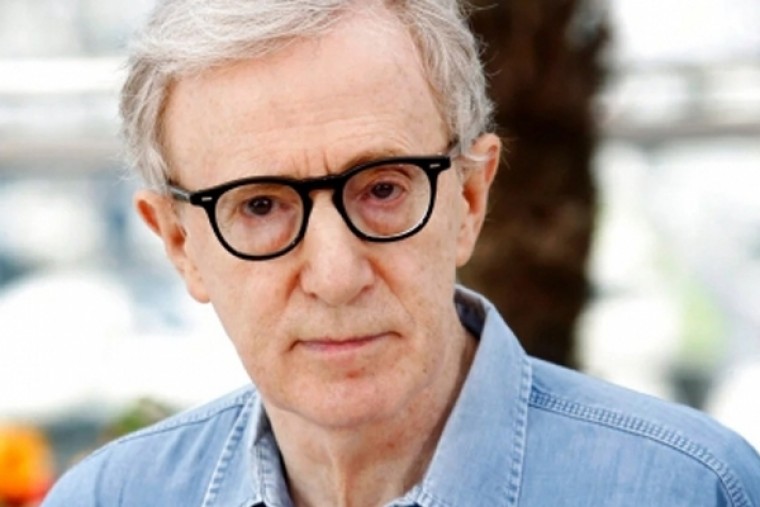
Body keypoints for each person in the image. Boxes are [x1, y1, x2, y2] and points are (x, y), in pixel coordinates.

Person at [43, 1, 760, 505]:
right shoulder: (106, 499)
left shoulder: (691, 490)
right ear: (179, 243)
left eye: (383, 188)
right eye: (259, 205)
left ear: (470, 199)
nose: (336, 276)